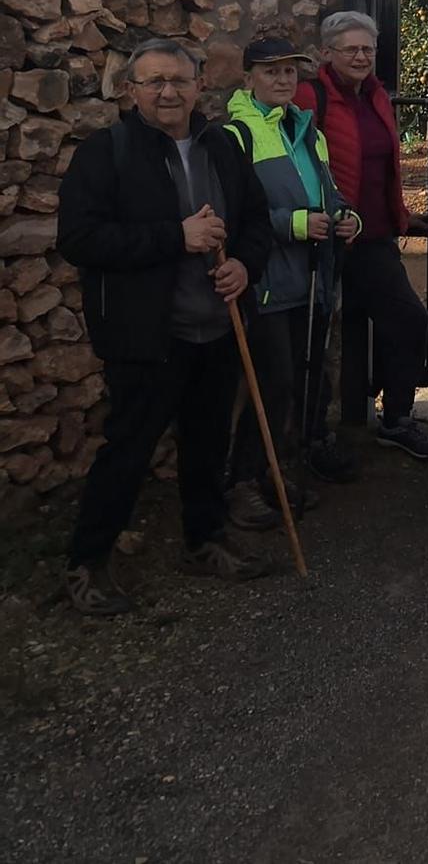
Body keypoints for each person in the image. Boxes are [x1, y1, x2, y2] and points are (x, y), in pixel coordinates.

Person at [56, 40, 278, 615]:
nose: (167, 92)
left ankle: (202, 542)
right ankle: (87, 562)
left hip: (218, 324)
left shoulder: (224, 147)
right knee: (128, 449)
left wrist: (244, 267)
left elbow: (255, 221)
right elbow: (81, 239)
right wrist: (174, 237)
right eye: (153, 82)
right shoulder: (105, 153)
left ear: (199, 84)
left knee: (207, 445)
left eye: (177, 80)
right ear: (130, 90)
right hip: (146, 333)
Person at [295, 11, 428, 473]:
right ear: (327, 53)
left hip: (374, 237)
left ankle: (397, 419)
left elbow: (383, 167)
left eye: (367, 49)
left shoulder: (377, 95)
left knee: (409, 320)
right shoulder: (309, 96)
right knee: (314, 340)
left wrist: (401, 215)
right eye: (350, 49)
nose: (361, 56)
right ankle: (314, 439)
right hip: (326, 240)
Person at [221, 36, 357, 530]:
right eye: (271, 71)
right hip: (266, 285)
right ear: (248, 77)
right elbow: (234, 217)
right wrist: (297, 224)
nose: (282, 80)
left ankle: (272, 477)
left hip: (311, 282)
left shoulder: (307, 131)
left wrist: (348, 221)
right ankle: (241, 483)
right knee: (272, 384)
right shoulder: (236, 135)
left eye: (290, 72)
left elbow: (332, 196)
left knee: (301, 383)